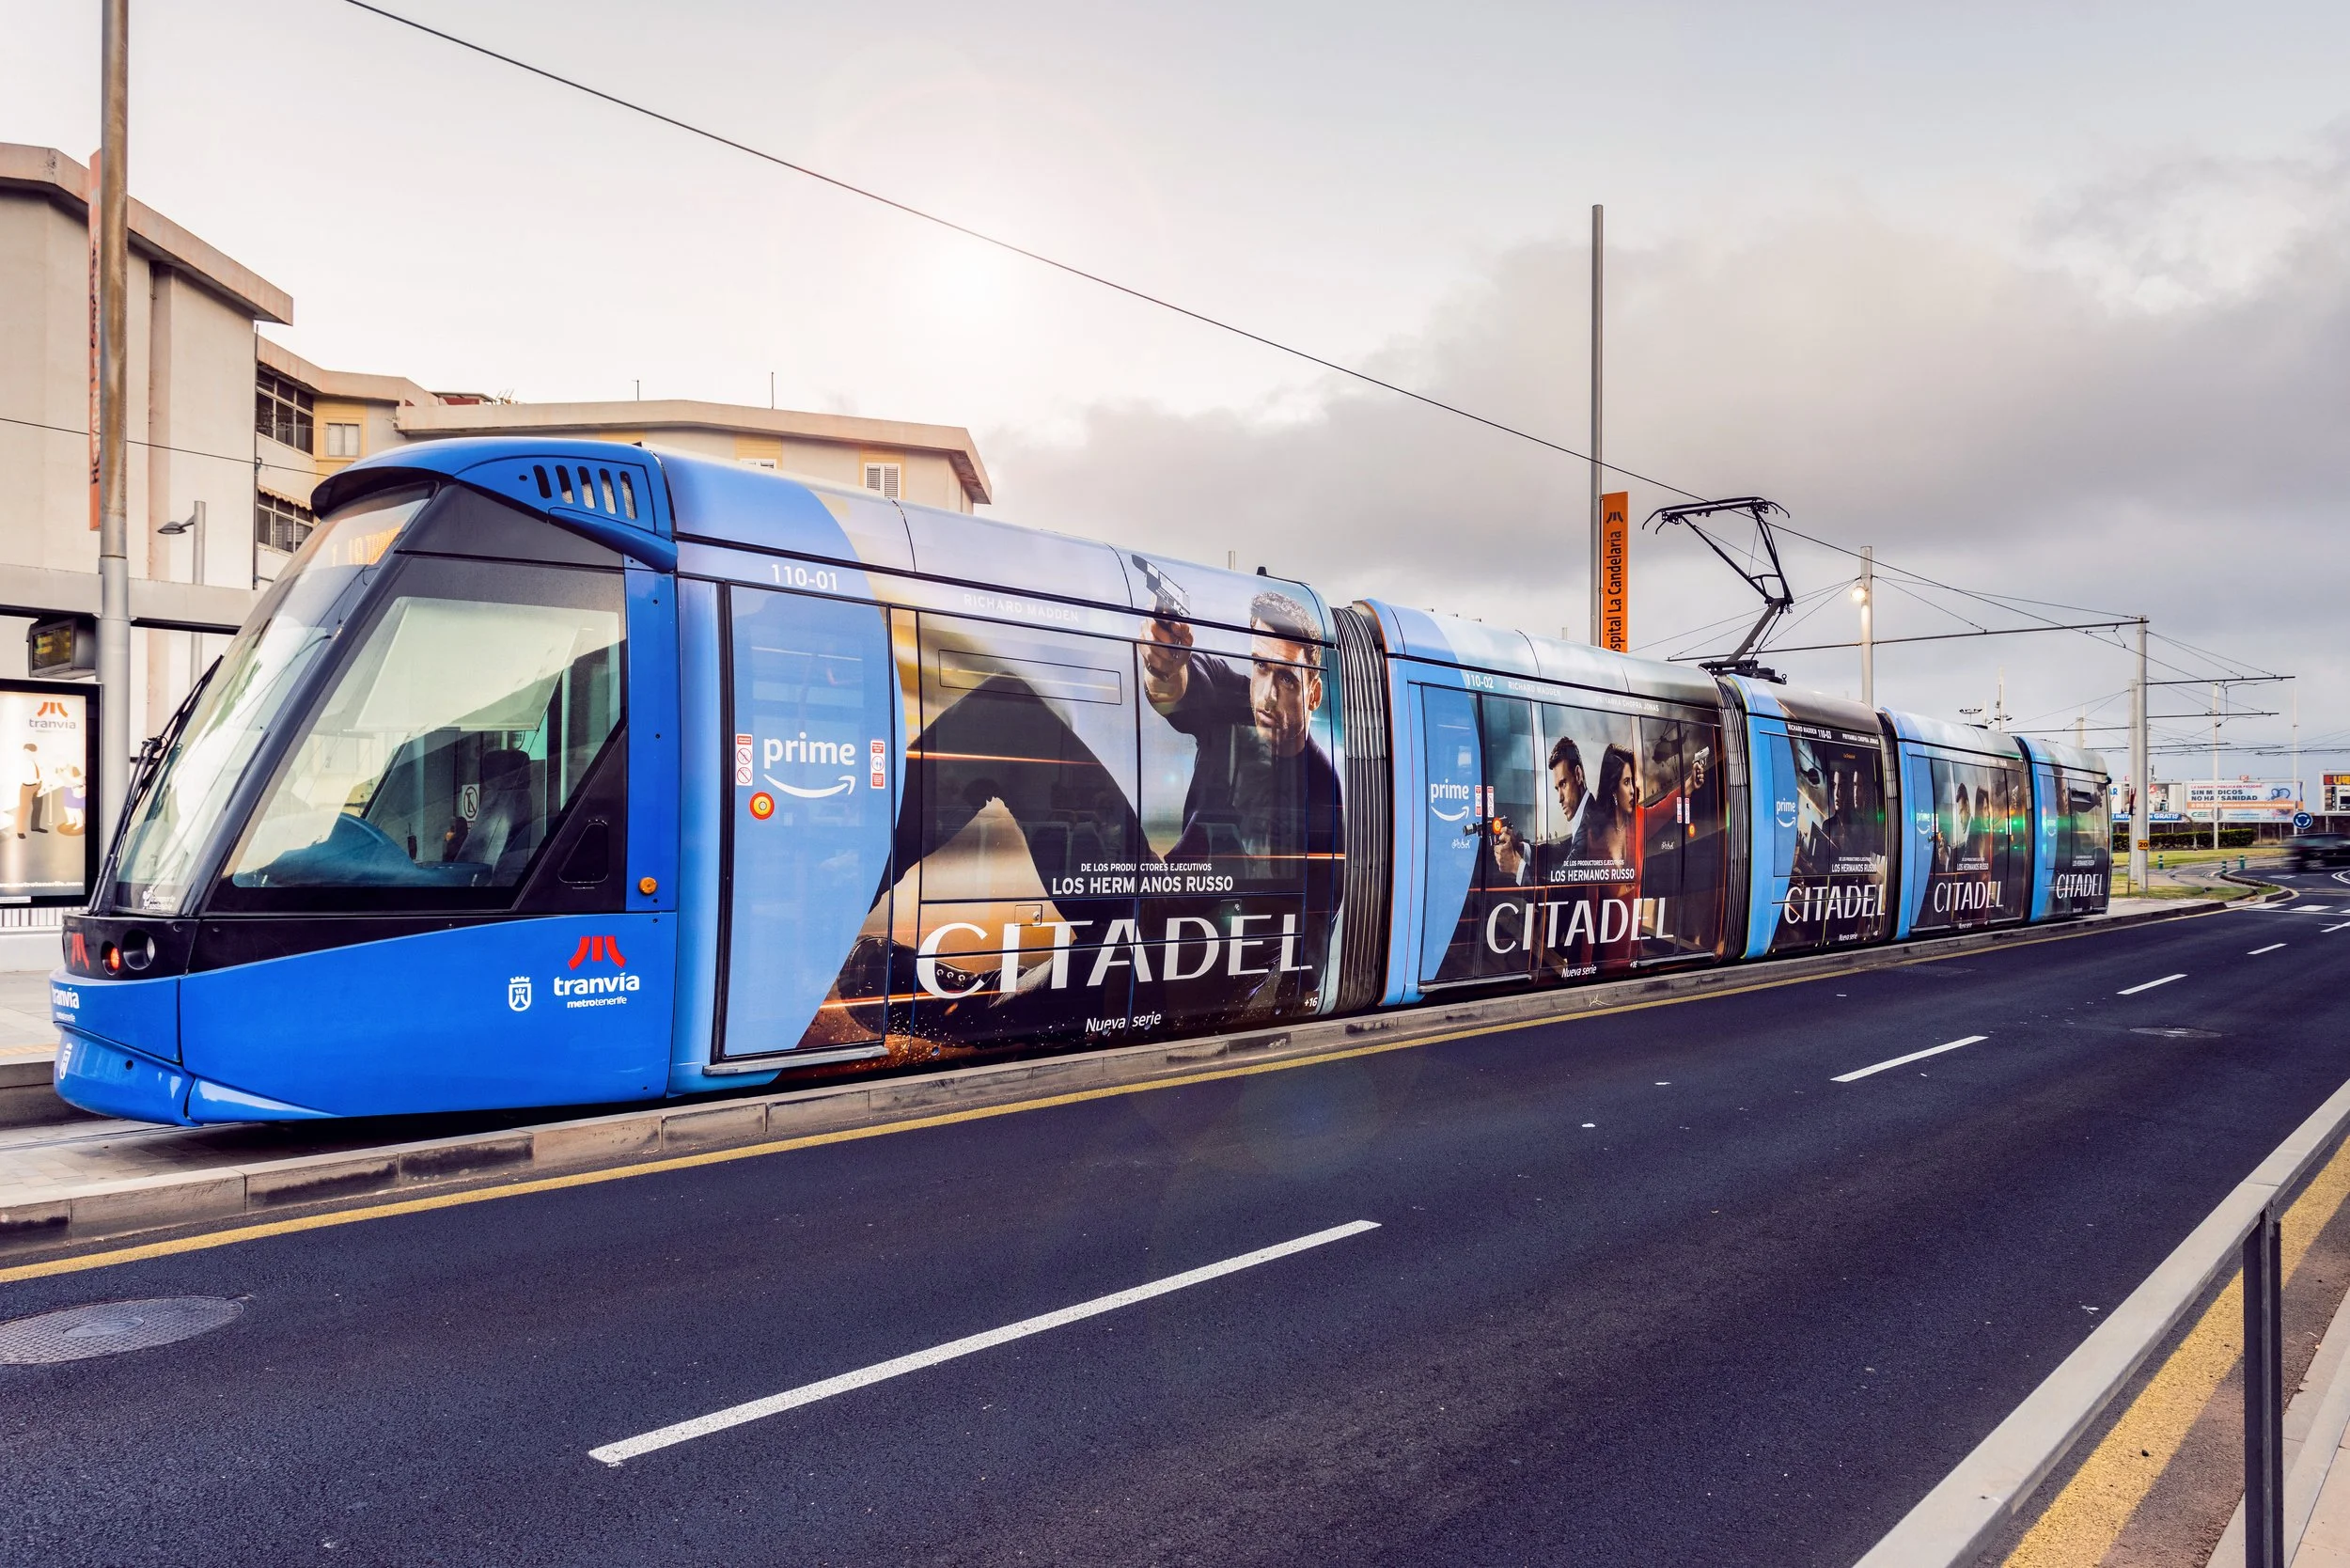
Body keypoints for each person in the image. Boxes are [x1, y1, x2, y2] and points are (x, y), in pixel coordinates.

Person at [1490, 734, 1589, 886]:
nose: (1560, 798)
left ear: (1578, 775)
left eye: (1563, 784)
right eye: (1557, 789)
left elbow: (1559, 893)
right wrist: (1520, 848)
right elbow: (1563, 850)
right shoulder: (1585, 821)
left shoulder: (1590, 826)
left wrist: (1516, 866)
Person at [12, 744, 43, 839]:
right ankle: (20, 831)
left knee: (37, 807)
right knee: (23, 809)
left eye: (34, 752)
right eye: (30, 752)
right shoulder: (22, 763)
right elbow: (25, 777)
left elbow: (41, 772)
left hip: (38, 786)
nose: (33, 754)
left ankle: (35, 827)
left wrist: (41, 785)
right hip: (27, 787)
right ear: (25, 751)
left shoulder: (35, 760)